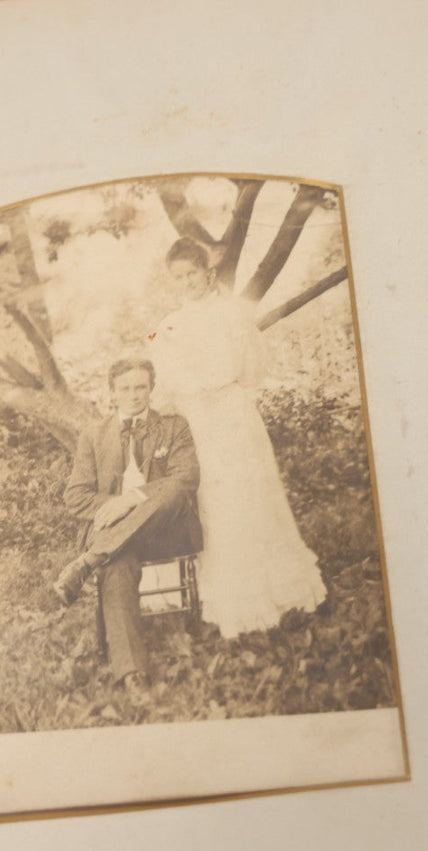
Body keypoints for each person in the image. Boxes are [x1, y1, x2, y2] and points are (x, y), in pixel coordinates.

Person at [146, 237, 326, 638]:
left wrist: (218, 385)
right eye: (179, 277)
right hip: (197, 422)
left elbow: (252, 369)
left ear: (207, 272)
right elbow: (165, 385)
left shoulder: (231, 314)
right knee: (216, 503)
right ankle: (234, 598)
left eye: (192, 273)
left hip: (231, 414)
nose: (187, 282)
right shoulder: (168, 326)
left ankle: (279, 592)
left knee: (251, 496)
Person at [53, 358, 202, 685]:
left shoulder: (174, 426)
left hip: (166, 533)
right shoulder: (94, 435)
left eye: (140, 387)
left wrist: (132, 499)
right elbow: (75, 497)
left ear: (151, 389)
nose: (133, 395)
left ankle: (88, 560)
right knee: (116, 565)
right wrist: (116, 507)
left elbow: (187, 479)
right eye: (125, 389)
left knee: (175, 486)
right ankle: (132, 673)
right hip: (118, 544)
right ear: (112, 392)